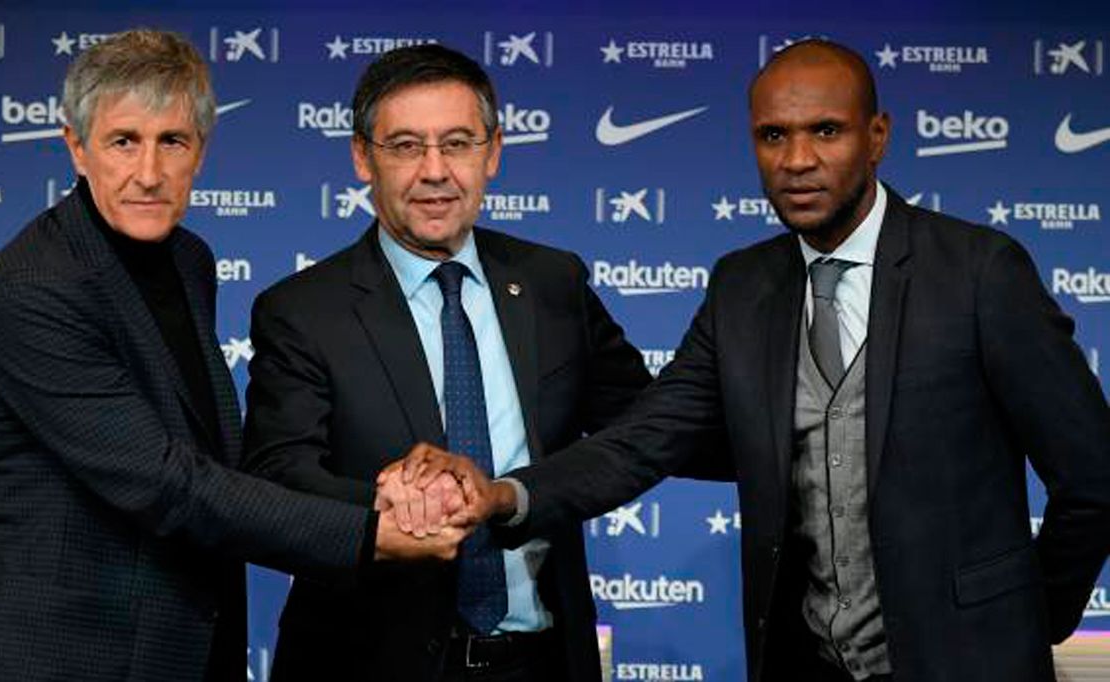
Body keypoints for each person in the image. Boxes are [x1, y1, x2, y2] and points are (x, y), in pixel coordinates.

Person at [400, 40, 1110, 682]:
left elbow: (1093, 473)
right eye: (774, 136)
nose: (797, 160)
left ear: (878, 137)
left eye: (824, 131)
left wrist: (1025, 617)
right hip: (806, 664)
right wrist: (505, 495)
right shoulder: (744, 286)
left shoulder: (979, 272)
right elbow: (643, 440)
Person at [0, 29, 463, 682]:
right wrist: (369, 530)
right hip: (68, 656)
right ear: (76, 148)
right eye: (123, 141)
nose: (149, 173)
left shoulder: (187, 259)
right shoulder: (34, 291)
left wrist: (380, 495)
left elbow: (209, 455)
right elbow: (168, 484)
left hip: (187, 646)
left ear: (201, 149)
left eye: (172, 141)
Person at [241, 44, 653, 682]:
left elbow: (648, 427)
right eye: (405, 146)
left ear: (493, 152)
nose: (435, 171)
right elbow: (276, 472)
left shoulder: (552, 281)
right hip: (372, 663)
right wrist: (389, 507)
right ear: (361, 157)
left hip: (541, 662)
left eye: (457, 143)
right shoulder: (302, 309)